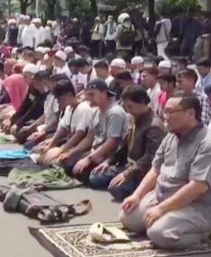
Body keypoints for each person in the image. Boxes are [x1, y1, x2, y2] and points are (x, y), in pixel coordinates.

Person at [119, 93, 211, 250]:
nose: (165, 116)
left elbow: (197, 187)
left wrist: (161, 209)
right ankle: (166, 219)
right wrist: (137, 195)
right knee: (127, 217)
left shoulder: (206, 142)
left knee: (159, 233)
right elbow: (155, 169)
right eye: (164, 111)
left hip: (195, 204)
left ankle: (204, 235)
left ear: (190, 114)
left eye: (171, 112)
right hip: (163, 195)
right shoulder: (171, 136)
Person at [97, 86, 166, 201]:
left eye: (130, 106)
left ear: (142, 103)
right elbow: (124, 145)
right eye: (126, 106)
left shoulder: (154, 126)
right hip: (128, 165)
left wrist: (127, 173)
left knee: (115, 188)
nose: (128, 110)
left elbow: (150, 157)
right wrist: (109, 161)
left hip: (141, 171)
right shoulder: (134, 119)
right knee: (97, 175)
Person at [61, 79, 129, 184]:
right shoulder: (96, 111)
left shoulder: (115, 112)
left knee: (94, 179)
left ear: (104, 93)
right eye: (87, 95)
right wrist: (71, 153)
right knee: (68, 163)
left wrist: (88, 159)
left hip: (108, 157)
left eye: (92, 95)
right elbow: (89, 138)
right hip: (95, 153)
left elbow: (112, 142)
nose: (88, 98)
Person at [36, 79, 94, 164]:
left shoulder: (84, 109)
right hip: (68, 145)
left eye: (59, 98)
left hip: (79, 149)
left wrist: (61, 151)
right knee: (39, 153)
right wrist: (50, 145)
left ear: (69, 95)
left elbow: (79, 134)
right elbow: (63, 129)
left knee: (53, 161)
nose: (58, 101)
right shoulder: (68, 108)